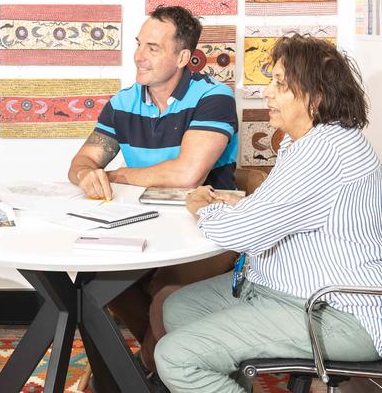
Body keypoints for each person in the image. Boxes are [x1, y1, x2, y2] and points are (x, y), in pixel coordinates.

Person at [155, 34, 382, 393]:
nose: (266, 92)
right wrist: (239, 207)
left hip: (333, 310)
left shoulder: (323, 152)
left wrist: (203, 209)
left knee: (176, 355)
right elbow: (286, 211)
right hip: (284, 289)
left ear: (316, 98)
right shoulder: (306, 141)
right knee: (179, 308)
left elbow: (242, 235)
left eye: (280, 84)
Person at [67, 6, 239, 374]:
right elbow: (82, 161)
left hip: (207, 232)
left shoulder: (214, 97)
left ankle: (143, 373)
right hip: (144, 226)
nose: (139, 56)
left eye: (153, 48)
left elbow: (187, 174)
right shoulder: (123, 102)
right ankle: (150, 369)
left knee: (166, 297)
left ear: (182, 57)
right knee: (93, 283)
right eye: (139, 44)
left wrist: (116, 175)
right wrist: (85, 174)